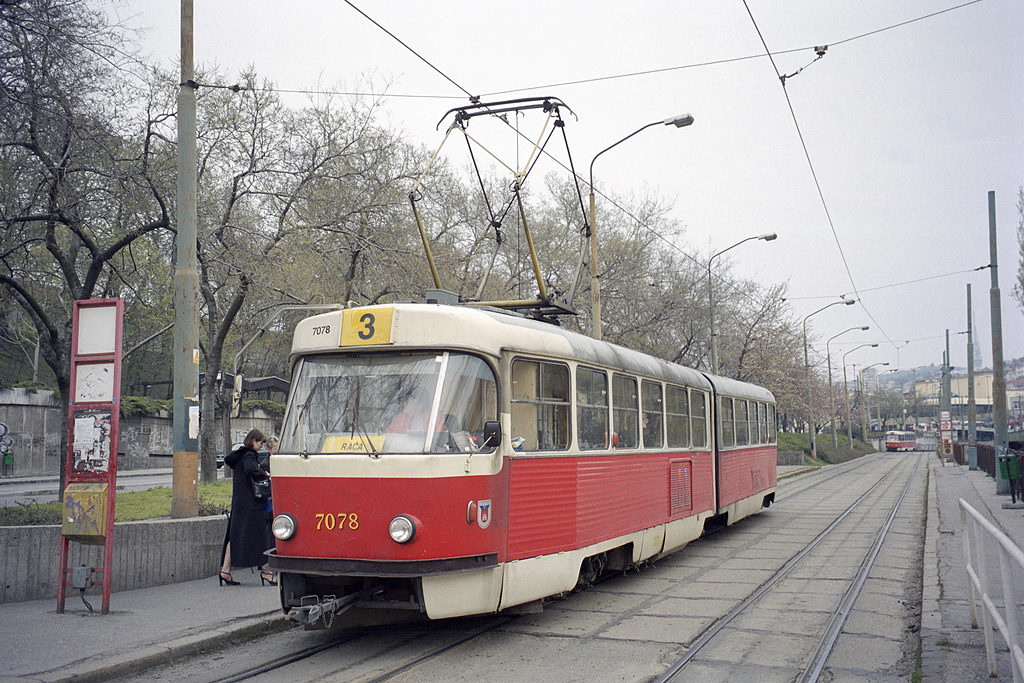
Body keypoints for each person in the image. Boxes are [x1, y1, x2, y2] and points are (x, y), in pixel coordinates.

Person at [218, 429, 275, 586]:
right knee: (260, 535)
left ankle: (225, 571)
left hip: (239, 502)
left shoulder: (239, 455)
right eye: (260, 443)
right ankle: (266, 572)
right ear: (253, 441)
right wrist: (264, 474)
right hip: (251, 503)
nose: (262, 446)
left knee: (234, 535)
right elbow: (251, 469)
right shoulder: (249, 454)